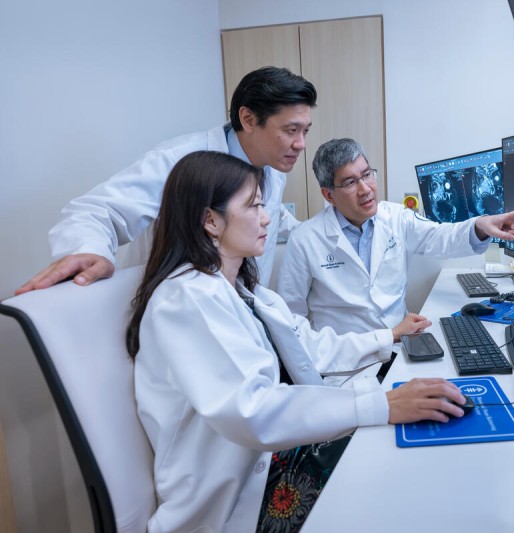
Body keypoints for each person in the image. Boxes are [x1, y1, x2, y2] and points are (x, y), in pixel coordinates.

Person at [127, 151, 466, 533]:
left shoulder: (245, 293)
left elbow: (313, 346)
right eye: (254, 206)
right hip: (240, 497)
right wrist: (380, 405)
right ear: (210, 220)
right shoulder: (187, 299)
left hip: (269, 457)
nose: (267, 217)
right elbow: (253, 410)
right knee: (398, 483)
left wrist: (388, 338)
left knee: (414, 441)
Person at [16, 66, 314, 295]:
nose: (301, 144)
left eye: (305, 131)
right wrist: (89, 249)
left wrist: (318, 232)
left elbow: (270, 214)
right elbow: (96, 211)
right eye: (290, 130)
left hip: (239, 308)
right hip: (183, 310)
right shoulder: (177, 161)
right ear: (248, 119)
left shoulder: (271, 167)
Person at [277, 138, 514, 379]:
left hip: (402, 350)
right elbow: (291, 325)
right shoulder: (305, 239)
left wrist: (480, 225)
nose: (366, 189)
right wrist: (387, 336)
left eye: (367, 174)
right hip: (345, 368)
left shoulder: (396, 217)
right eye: (350, 182)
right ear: (328, 194)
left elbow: (439, 236)